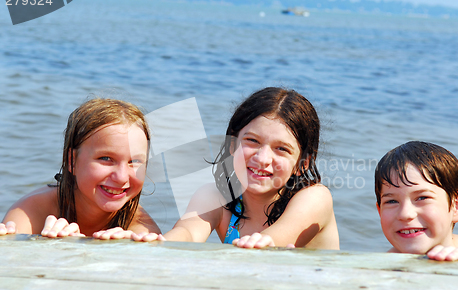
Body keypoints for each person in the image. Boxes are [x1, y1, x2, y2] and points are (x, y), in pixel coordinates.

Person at [134, 87, 339, 249]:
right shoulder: (216, 197)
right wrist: (152, 243)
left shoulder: (314, 198)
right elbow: (187, 232)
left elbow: (276, 240)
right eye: (252, 141)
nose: (262, 158)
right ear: (232, 144)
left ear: (302, 164)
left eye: (282, 149)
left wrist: (262, 242)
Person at [0, 98, 161, 238]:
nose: (121, 177)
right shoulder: (31, 213)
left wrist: (128, 252)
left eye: (135, 161)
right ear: (72, 161)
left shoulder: (140, 228)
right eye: (106, 158)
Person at [375, 141, 458, 261]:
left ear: (456, 205)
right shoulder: (377, 269)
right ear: (379, 211)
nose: (405, 214)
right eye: (392, 201)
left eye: (422, 198)